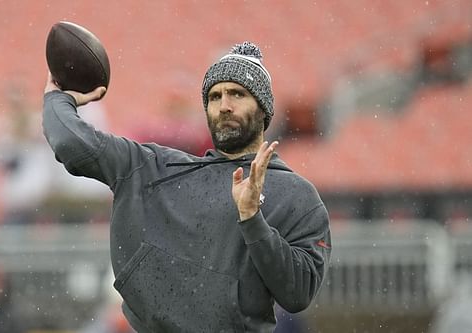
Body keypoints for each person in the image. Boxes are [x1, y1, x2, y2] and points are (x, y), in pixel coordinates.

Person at [43, 41, 331, 333]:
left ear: (263, 108)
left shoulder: (296, 195)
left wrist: (252, 219)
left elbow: (298, 293)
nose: (224, 106)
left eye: (238, 94)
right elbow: (71, 143)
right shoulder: (159, 168)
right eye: (215, 96)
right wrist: (57, 97)